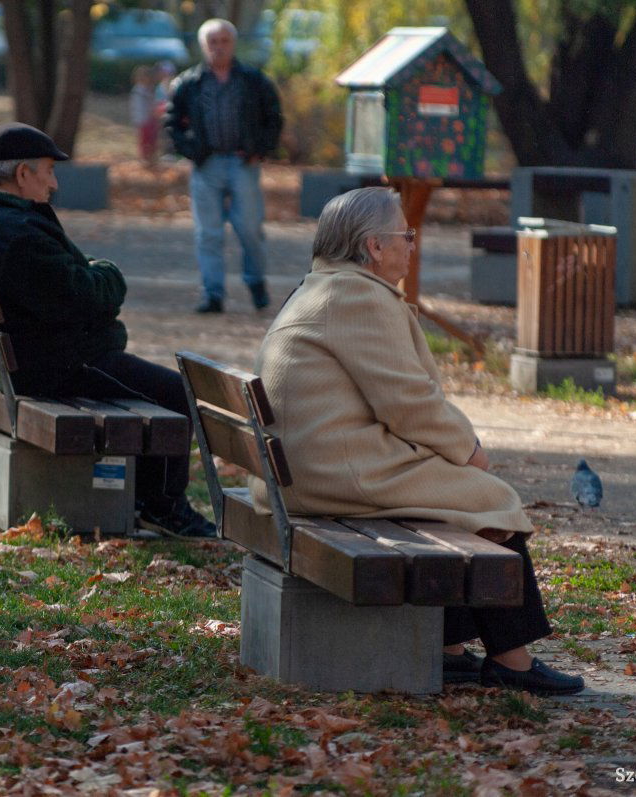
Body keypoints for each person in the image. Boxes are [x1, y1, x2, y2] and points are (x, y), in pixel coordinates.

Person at [250, 187, 584, 696]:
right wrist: (467, 450)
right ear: (374, 246)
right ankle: (512, 661)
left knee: (454, 494)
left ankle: (448, 647)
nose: (412, 243)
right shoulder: (356, 297)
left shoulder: (323, 287)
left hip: (309, 467)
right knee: (491, 498)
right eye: (405, 235)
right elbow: (408, 403)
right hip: (334, 472)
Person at [0, 122, 216, 539]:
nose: (53, 184)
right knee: (178, 394)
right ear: (23, 174)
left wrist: (86, 273)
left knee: (156, 386)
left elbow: (66, 282)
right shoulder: (18, 233)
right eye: (49, 171)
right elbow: (84, 295)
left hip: (28, 361)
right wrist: (107, 274)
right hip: (57, 367)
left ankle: (146, 500)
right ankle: (163, 507)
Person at [163, 18, 283, 314]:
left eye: (224, 41)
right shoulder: (189, 83)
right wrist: (191, 151)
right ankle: (213, 294)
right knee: (208, 233)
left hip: (243, 163)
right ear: (204, 46)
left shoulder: (253, 80)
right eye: (213, 42)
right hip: (207, 164)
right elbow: (172, 122)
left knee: (249, 229)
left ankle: (256, 283)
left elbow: (274, 117)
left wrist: (259, 150)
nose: (219, 47)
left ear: (233, 43)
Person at [130, 65, 159, 166]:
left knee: (151, 139)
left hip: (150, 119)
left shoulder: (148, 90)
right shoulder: (139, 90)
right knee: (144, 139)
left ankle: (151, 158)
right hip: (143, 119)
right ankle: (144, 158)